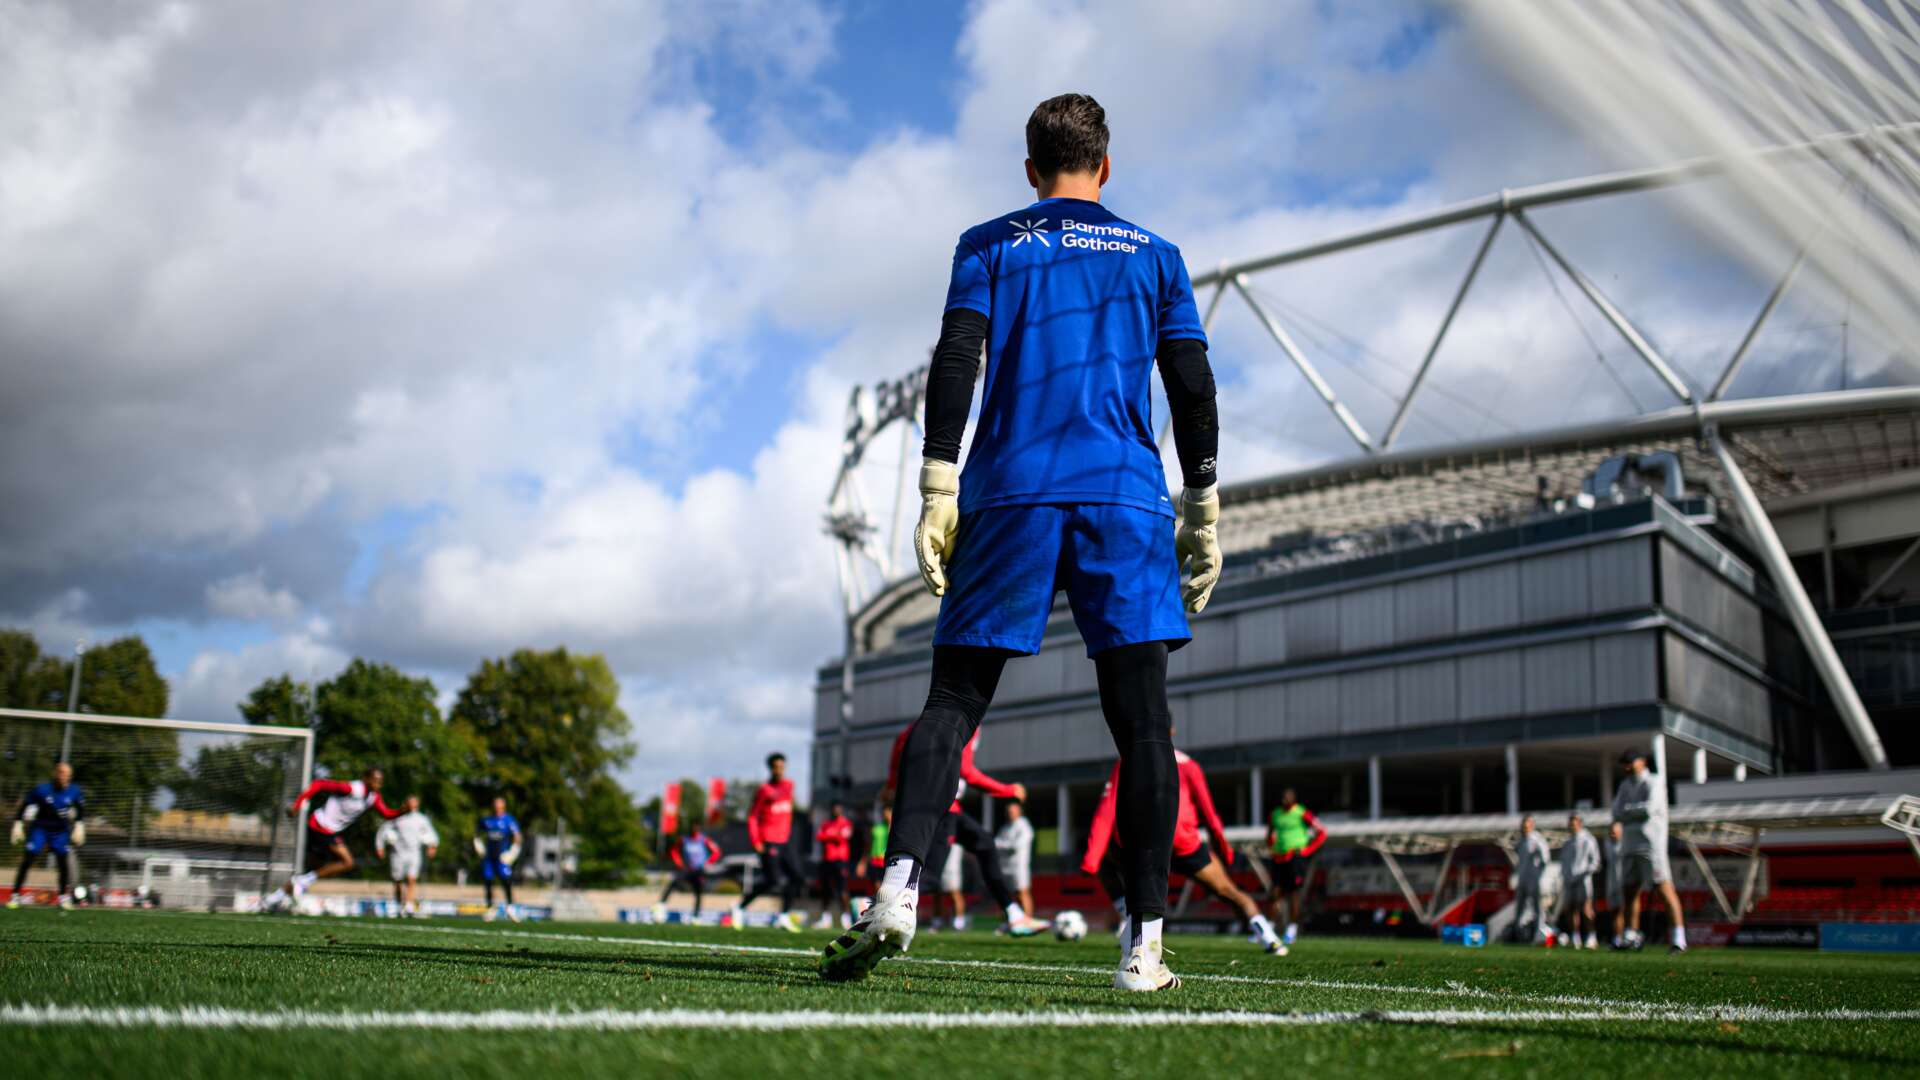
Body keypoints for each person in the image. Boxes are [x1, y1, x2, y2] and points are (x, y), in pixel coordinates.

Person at [821, 92, 1221, 993]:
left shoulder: (989, 243)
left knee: (954, 700)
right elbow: (1193, 384)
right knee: (1144, 725)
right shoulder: (1156, 255)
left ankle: (896, 889)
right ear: (1105, 166)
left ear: (1030, 169)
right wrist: (1203, 506)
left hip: (1008, 492)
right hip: (1123, 497)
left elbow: (955, 358)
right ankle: (1145, 945)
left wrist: (935, 487)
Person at [1084, 741, 1284, 956]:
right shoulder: (1189, 765)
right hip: (1184, 842)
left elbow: (1107, 807)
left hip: (1147, 841)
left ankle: (1129, 918)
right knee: (1228, 891)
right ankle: (1268, 938)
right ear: (1171, 732)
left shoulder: (1128, 760)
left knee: (1107, 864)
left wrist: (1091, 858)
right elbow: (1209, 813)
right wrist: (1224, 851)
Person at [877, 721, 1048, 937]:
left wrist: (892, 787)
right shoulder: (965, 719)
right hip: (943, 809)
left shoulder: (913, 728)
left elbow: (896, 764)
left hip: (940, 807)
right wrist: (1007, 790)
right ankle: (870, 906)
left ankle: (1014, 914)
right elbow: (965, 770)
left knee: (985, 843)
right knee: (931, 877)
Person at [264, 767, 404, 911]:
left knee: (312, 871)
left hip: (329, 831)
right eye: (375, 781)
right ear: (366, 779)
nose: (378, 785)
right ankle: (299, 884)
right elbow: (319, 784)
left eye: (380, 782)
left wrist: (403, 810)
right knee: (347, 862)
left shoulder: (373, 798)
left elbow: (386, 813)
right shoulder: (351, 788)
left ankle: (271, 900)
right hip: (319, 825)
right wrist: (297, 804)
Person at [1613, 748, 1686, 952]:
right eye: (1625, 762)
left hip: (1651, 844)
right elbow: (1616, 812)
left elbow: (1649, 809)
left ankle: (1679, 938)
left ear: (1642, 761)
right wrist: (1631, 812)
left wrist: (1628, 811)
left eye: (1630, 761)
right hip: (1629, 844)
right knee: (1629, 891)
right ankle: (1631, 934)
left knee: (1663, 888)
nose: (1627, 766)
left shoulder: (1654, 782)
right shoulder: (1625, 785)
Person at [736, 753, 803, 932]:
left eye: (782, 767)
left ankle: (783, 916)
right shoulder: (764, 790)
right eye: (776, 767)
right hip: (769, 841)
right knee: (773, 881)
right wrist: (756, 840)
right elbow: (752, 817)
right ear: (771, 768)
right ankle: (739, 908)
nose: (779, 770)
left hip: (785, 842)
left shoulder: (789, 786)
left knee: (797, 877)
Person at [7, 762, 85, 909]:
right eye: (62, 773)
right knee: (29, 857)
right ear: (56, 773)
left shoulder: (74, 790)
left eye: (68, 775)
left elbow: (80, 809)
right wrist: (18, 823)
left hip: (60, 831)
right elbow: (25, 805)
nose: (65, 777)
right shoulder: (42, 790)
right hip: (40, 829)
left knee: (63, 861)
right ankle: (15, 895)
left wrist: (79, 826)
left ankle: (63, 897)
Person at [1265, 788, 1326, 945]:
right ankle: (1268, 930)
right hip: (1279, 858)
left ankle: (1291, 930)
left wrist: (1307, 850)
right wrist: (1272, 848)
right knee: (1275, 892)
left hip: (1295, 857)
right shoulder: (1276, 814)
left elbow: (1321, 832)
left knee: (1293, 893)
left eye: (1287, 797)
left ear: (1294, 799)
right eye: (1282, 797)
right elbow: (1269, 834)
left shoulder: (1301, 812)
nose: (1284, 800)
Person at [374, 795, 439, 917]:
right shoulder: (396, 817)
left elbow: (431, 834)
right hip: (397, 853)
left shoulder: (421, 819)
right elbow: (382, 831)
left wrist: (432, 846)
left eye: (414, 803)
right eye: (410, 802)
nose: (412, 805)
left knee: (411, 879)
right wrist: (380, 847)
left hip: (414, 853)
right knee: (397, 880)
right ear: (405, 803)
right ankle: (400, 906)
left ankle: (409, 906)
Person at [474, 796, 522, 922]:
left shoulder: (509, 820)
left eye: (500, 805)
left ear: (503, 806)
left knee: (506, 880)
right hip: (489, 857)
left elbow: (517, 837)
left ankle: (510, 906)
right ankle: (490, 907)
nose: (497, 807)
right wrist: (478, 845)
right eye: (496, 805)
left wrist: (512, 852)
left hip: (502, 858)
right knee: (488, 881)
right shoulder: (487, 820)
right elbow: (477, 834)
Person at [1558, 812, 1602, 950]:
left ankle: (1591, 936)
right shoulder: (1567, 843)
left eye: (1575, 822)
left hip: (1584, 880)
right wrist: (1566, 876)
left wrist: (1585, 873)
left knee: (1586, 909)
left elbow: (1595, 861)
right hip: (1570, 881)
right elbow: (1564, 863)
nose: (1572, 825)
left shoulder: (1588, 840)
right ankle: (1575, 937)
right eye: (1570, 822)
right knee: (1571, 909)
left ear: (1580, 823)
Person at [662, 825, 722, 915]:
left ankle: (696, 914)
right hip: (687, 869)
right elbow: (673, 851)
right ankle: (661, 905)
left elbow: (716, 852)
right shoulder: (684, 840)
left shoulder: (704, 840)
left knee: (698, 892)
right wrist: (679, 862)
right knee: (674, 883)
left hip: (699, 870)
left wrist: (707, 863)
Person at [815, 802, 855, 928]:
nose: (836, 811)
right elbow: (819, 836)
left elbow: (844, 836)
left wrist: (830, 835)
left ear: (841, 810)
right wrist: (834, 835)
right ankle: (825, 918)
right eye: (834, 809)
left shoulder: (846, 823)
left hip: (841, 861)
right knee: (825, 890)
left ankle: (846, 918)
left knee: (842, 890)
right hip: (827, 860)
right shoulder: (826, 824)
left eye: (838, 809)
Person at [1512, 814, 1550, 944]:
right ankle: (1518, 935)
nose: (1524, 827)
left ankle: (1538, 935)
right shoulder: (1521, 841)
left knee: (1537, 908)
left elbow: (1545, 859)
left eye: (1527, 824)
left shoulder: (1537, 840)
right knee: (1520, 908)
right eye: (1523, 824)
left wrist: (1538, 875)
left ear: (1532, 825)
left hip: (1534, 880)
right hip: (1522, 879)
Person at [994, 799, 1036, 918]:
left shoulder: (1024, 826)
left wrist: (1000, 845)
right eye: (1008, 811)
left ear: (1019, 811)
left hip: (1019, 867)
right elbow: (996, 844)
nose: (1010, 813)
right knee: (1007, 896)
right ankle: (1010, 922)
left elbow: (1016, 846)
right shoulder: (1005, 828)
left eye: (1012, 811)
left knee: (1022, 893)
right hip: (1005, 866)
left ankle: (1028, 920)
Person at [1604, 819, 1627, 947]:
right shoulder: (1608, 844)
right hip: (1612, 883)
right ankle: (1617, 938)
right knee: (1614, 911)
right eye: (1611, 832)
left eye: (1614, 832)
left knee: (1623, 911)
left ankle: (1626, 936)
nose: (1612, 834)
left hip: (1623, 882)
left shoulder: (1626, 844)